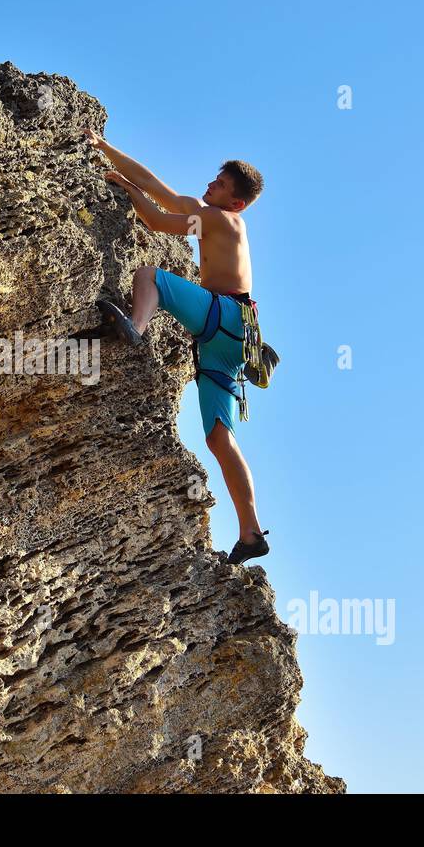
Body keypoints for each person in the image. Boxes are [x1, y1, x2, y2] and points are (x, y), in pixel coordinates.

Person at [86, 127, 270, 565]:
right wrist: (105, 148)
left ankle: (136, 325)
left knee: (149, 276)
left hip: (222, 316)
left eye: (220, 184)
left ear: (236, 201)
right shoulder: (214, 216)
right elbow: (157, 187)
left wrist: (127, 189)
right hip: (235, 338)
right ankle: (250, 532)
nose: (210, 185)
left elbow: (155, 218)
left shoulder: (215, 218)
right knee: (220, 439)